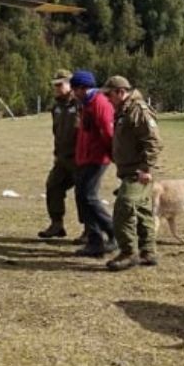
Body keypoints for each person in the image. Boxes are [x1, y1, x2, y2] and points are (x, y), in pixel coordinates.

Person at [103, 76, 163, 271]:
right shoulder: (124, 110)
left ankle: (128, 253)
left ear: (121, 92)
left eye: (109, 94)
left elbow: (154, 142)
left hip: (138, 172)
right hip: (129, 170)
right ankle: (148, 252)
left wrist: (145, 168)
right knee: (143, 210)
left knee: (124, 207)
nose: (107, 99)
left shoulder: (138, 111)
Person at [70, 70, 116, 257]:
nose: (73, 93)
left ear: (83, 88)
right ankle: (94, 240)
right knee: (82, 196)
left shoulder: (99, 103)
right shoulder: (86, 104)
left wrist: (112, 155)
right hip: (85, 157)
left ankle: (113, 231)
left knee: (89, 197)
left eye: (75, 89)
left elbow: (108, 132)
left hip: (97, 158)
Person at [38, 70, 80, 239]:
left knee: (83, 194)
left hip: (79, 158)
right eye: (54, 85)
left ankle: (90, 230)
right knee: (53, 186)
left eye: (60, 84)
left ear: (70, 85)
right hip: (62, 157)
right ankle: (57, 224)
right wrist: (57, 154)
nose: (56, 88)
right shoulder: (56, 107)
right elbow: (57, 132)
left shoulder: (80, 104)